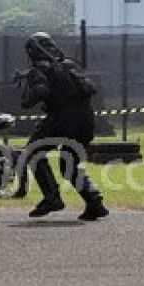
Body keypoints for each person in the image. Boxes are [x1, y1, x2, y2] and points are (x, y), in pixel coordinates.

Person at [19, 32, 108, 221]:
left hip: (63, 118)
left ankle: (52, 197)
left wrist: (27, 87)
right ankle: (95, 202)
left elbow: (36, 96)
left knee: (32, 152)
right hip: (85, 119)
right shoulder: (70, 65)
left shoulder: (39, 69)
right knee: (68, 164)